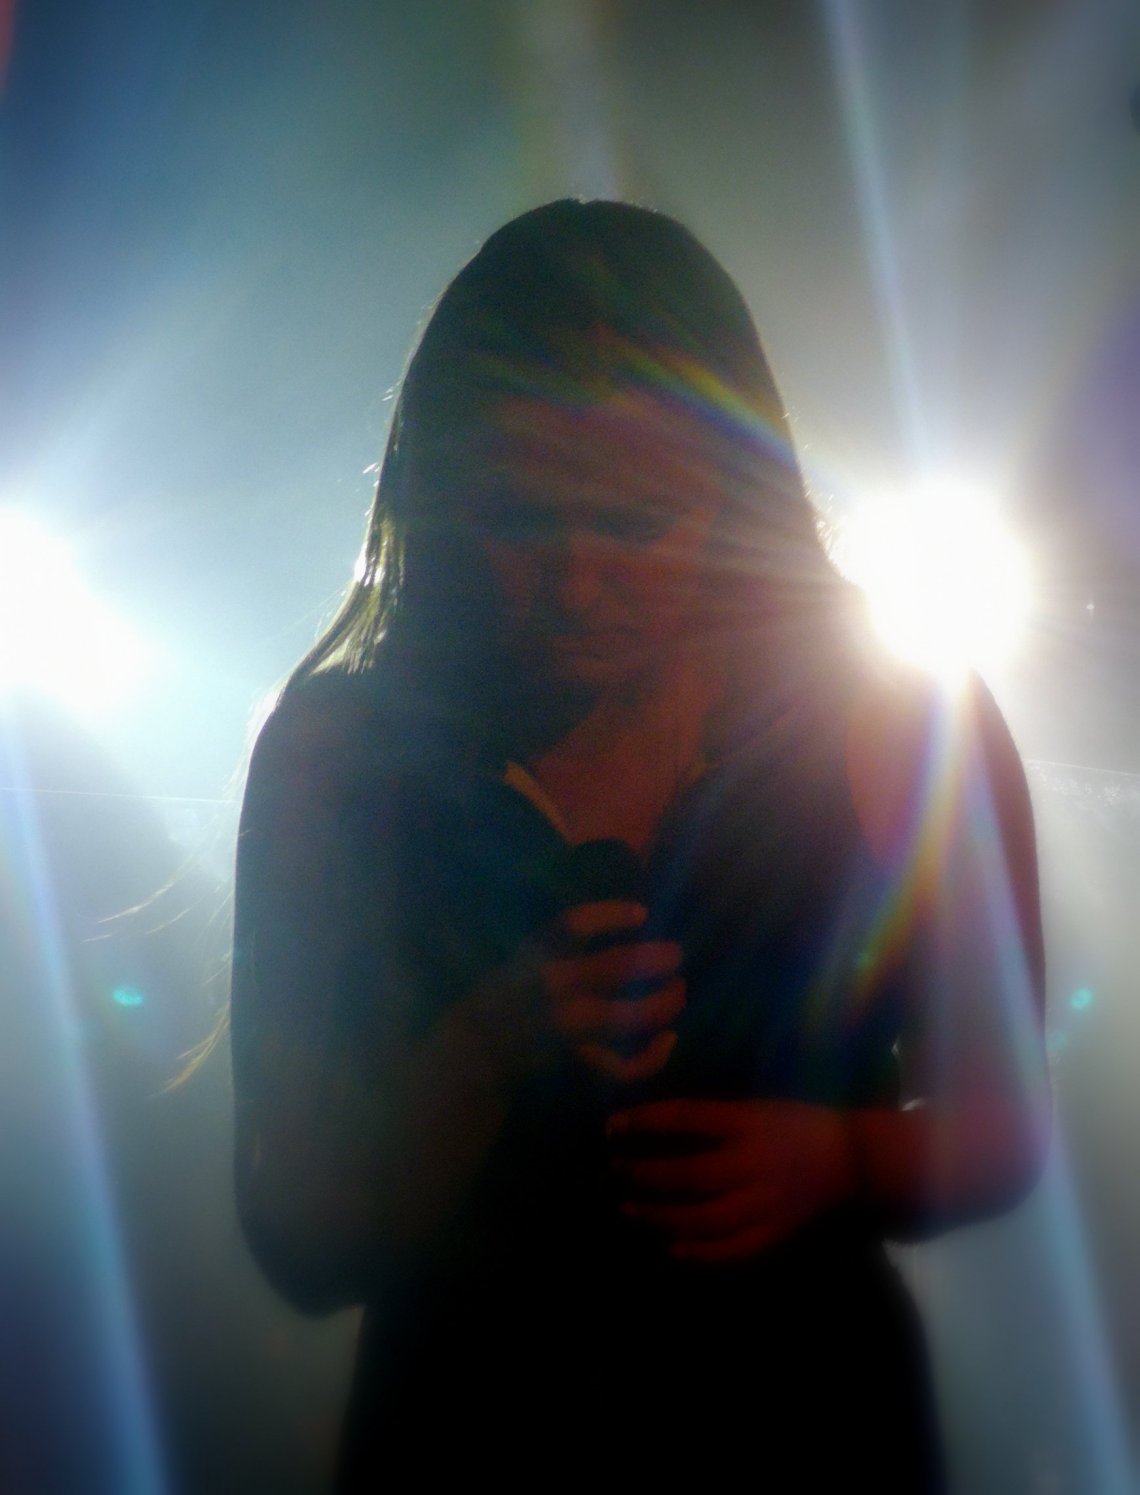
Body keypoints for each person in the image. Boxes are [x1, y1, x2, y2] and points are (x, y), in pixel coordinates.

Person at [230, 199, 1048, 1490]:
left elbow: (1006, 1124)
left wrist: (839, 1159)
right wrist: (485, 1048)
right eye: (519, 519)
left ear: (735, 494)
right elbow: (298, 1232)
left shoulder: (900, 721)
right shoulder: (339, 753)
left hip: (808, 1433)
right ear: (442, 495)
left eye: (635, 522)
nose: (577, 582)